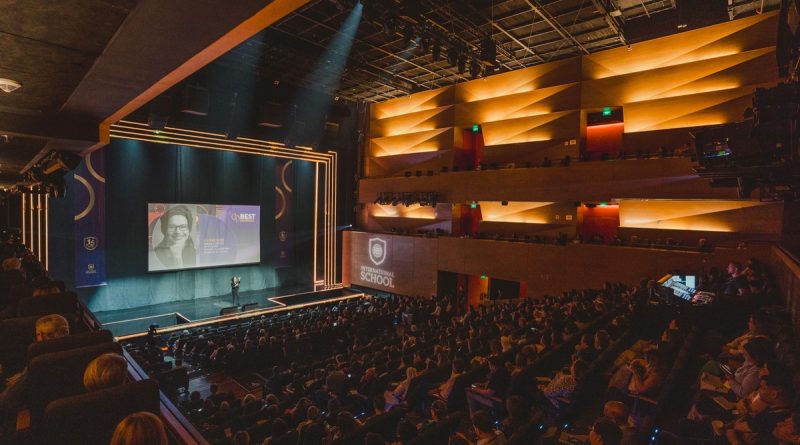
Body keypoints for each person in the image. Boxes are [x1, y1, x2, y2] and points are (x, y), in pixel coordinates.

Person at [154, 205, 196, 269]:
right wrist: (177, 257)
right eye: (172, 227)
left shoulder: (194, 251)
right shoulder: (156, 254)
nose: (177, 232)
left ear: (188, 229)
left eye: (183, 227)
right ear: (165, 230)